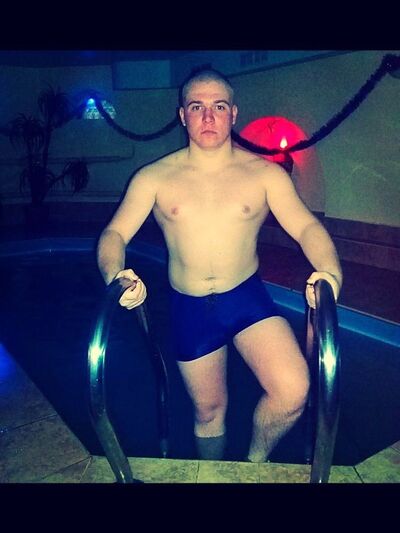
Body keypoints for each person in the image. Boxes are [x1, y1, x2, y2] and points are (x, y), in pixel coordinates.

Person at [97, 68, 343, 462]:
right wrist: (117, 275)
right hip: (190, 306)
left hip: (246, 298)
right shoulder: (153, 178)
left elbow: (307, 226)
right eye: (197, 107)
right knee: (209, 414)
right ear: (182, 115)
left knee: (293, 391)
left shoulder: (265, 175)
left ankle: (253, 465)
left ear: (234, 113)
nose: (208, 117)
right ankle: (212, 476)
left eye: (219, 106)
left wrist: (329, 273)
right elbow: (114, 234)